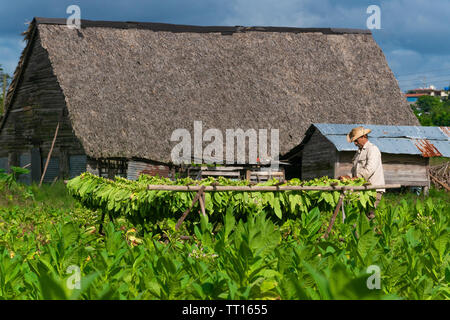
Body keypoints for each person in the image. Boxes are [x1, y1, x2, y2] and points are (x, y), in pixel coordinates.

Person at [338, 126, 385, 220]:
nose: (355, 143)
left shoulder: (372, 149)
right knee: (359, 217)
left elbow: (369, 169)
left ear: (363, 137)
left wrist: (355, 178)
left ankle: (371, 234)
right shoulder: (358, 153)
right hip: (362, 189)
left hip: (373, 189)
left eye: (356, 140)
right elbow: (354, 171)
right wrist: (347, 176)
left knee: (368, 217)